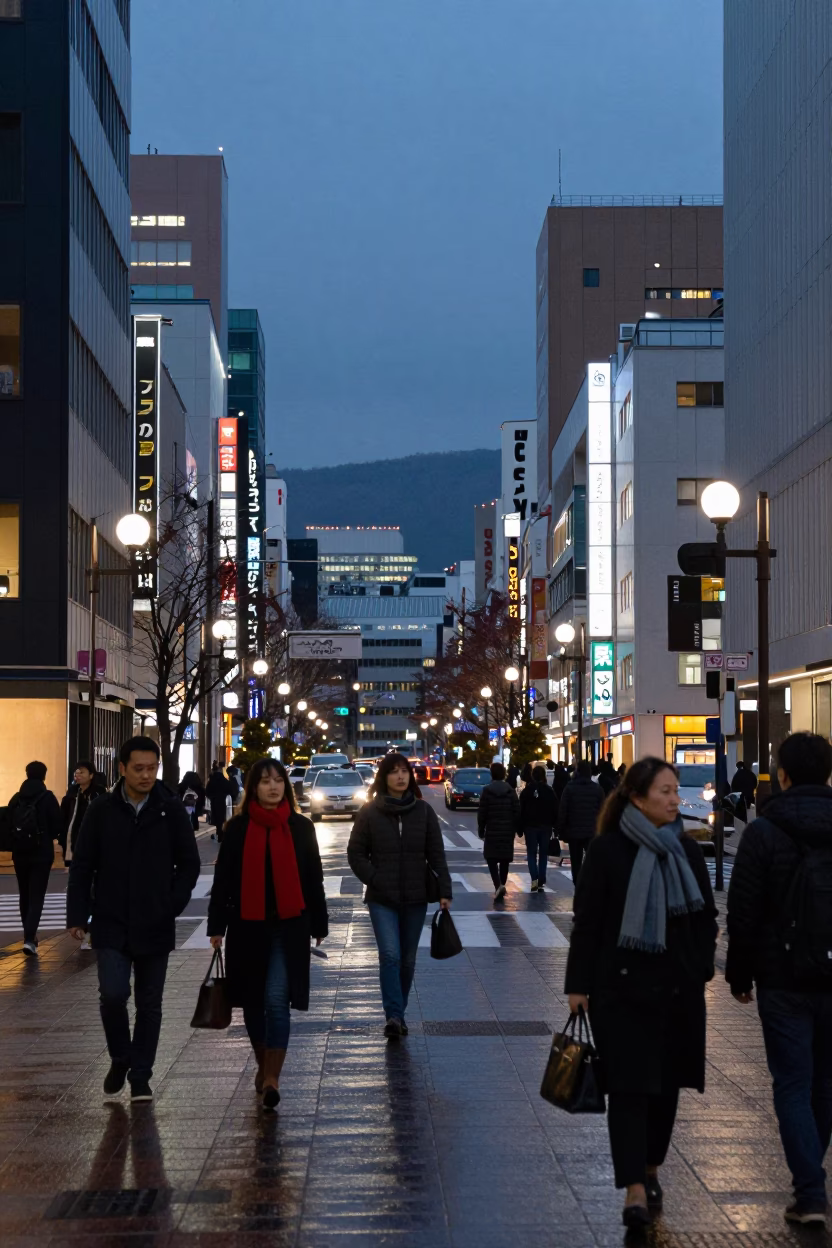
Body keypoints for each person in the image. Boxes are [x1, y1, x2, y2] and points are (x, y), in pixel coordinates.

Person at [565, 758, 717, 1230]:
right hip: (622, 989)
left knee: (667, 1088)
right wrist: (578, 984)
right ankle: (633, 1187)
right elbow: (587, 922)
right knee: (629, 1088)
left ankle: (650, 1167)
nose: (675, 800)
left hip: (678, 988)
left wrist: (701, 966)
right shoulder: (608, 850)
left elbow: (706, 918)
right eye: (665, 791)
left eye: (675, 791)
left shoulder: (687, 851)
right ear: (636, 797)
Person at [726, 732, 832, 1227]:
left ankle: (810, 1193)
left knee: (792, 1082)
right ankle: (811, 1178)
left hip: (782, 975)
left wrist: (739, 974)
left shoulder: (764, 832)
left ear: (783, 775)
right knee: (826, 1084)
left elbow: (743, 911)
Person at [66, 736, 200, 1102]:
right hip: (110, 919)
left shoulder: (169, 809)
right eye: (138, 769)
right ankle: (120, 1057)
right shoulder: (103, 810)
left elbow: (189, 863)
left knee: (150, 1003)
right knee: (112, 995)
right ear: (122, 768)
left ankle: (141, 1075)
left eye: (152, 768)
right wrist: (78, 914)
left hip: (155, 920)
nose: (146, 775)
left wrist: (172, 902)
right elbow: (82, 866)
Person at [208, 757, 328, 1109]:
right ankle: (264, 1066)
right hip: (247, 925)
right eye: (265, 781)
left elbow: (313, 880)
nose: (273, 786)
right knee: (252, 1003)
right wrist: (216, 927)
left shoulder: (301, 828)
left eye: (278, 780)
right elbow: (224, 882)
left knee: (277, 999)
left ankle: (273, 1077)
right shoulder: (238, 829)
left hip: (289, 926)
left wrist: (319, 922)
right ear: (253, 788)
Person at [348, 753, 452, 1038]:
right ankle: (393, 1015)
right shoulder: (370, 812)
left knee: (407, 959)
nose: (400, 776)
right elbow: (355, 854)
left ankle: (399, 1012)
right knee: (390, 955)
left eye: (404, 771)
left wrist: (445, 889)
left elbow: (436, 854)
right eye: (393, 772)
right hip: (382, 897)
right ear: (384, 777)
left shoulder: (423, 811)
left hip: (416, 896)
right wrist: (375, 878)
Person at [4, 761, 62, 955]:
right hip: (42, 853)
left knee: (24, 894)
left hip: (20, 853)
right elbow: (57, 826)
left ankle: (28, 936)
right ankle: (30, 939)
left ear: (26, 774)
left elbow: (7, 823)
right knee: (37, 896)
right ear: (44, 776)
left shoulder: (17, 798)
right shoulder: (48, 798)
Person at [477, 762, 521, 900]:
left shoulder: (487, 791)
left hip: (492, 829)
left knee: (491, 858)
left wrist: (481, 828)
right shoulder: (510, 790)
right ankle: (502, 883)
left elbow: (482, 812)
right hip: (507, 830)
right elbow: (517, 811)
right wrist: (518, 828)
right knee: (504, 859)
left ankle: (497, 885)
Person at [557, 760, 605, 883]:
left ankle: (578, 883)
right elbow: (603, 810)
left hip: (574, 831)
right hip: (592, 830)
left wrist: (561, 830)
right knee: (592, 859)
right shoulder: (597, 789)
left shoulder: (569, 788)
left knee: (576, 860)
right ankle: (590, 883)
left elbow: (563, 810)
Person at [519, 764, 559, 891]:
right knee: (543, 854)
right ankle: (542, 878)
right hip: (546, 826)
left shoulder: (526, 791)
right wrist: (556, 826)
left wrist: (520, 827)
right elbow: (555, 809)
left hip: (530, 826)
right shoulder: (549, 791)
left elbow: (521, 810)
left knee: (531, 853)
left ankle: (534, 879)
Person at [60, 760, 107, 865]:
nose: (78, 774)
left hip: (93, 835)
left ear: (91, 775)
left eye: (82, 772)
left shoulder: (99, 793)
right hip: (73, 835)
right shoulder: (72, 793)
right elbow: (64, 815)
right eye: (76, 772)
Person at [205, 762, 234, 840]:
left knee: (216, 817)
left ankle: (219, 831)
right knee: (222, 816)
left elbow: (207, 791)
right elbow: (230, 790)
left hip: (214, 801)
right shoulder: (224, 780)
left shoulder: (211, 781)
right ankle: (221, 832)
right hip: (223, 800)